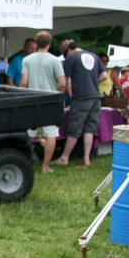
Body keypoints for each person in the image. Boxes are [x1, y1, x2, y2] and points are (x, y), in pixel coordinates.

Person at [52, 40, 107, 166]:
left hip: (81, 98)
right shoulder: (94, 56)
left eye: (65, 55)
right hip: (95, 97)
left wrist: (57, 94)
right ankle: (86, 159)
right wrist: (92, 82)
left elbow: (64, 82)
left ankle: (64, 158)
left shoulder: (71, 58)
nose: (66, 57)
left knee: (74, 128)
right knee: (90, 128)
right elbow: (104, 76)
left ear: (68, 50)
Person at [20, 31, 66, 173]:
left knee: (27, 133)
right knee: (51, 133)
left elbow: (24, 82)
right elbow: (63, 83)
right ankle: (45, 166)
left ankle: (26, 163)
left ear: (36, 42)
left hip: (32, 100)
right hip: (50, 100)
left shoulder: (27, 60)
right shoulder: (54, 60)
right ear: (49, 43)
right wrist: (55, 90)